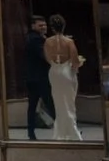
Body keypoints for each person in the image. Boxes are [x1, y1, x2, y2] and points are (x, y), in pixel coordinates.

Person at [44, 12, 84, 141]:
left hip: (54, 72)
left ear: (52, 27)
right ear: (63, 26)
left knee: (58, 102)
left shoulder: (47, 42)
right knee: (69, 102)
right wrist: (78, 64)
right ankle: (72, 132)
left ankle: (60, 132)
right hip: (66, 72)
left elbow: (47, 58)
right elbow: (75, 61)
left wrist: (56, 64)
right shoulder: (69, 42)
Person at [24, 15, 56, 140]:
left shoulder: (31, 37)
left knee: (32, 106)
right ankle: (65, 129)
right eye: (40, 25)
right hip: (40, 78)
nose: (43, 27)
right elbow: (44, 56)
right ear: (33, 26)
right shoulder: (37, 39)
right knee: (50, 104)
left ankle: (31, 132)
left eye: (45, 25)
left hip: (31, 77)